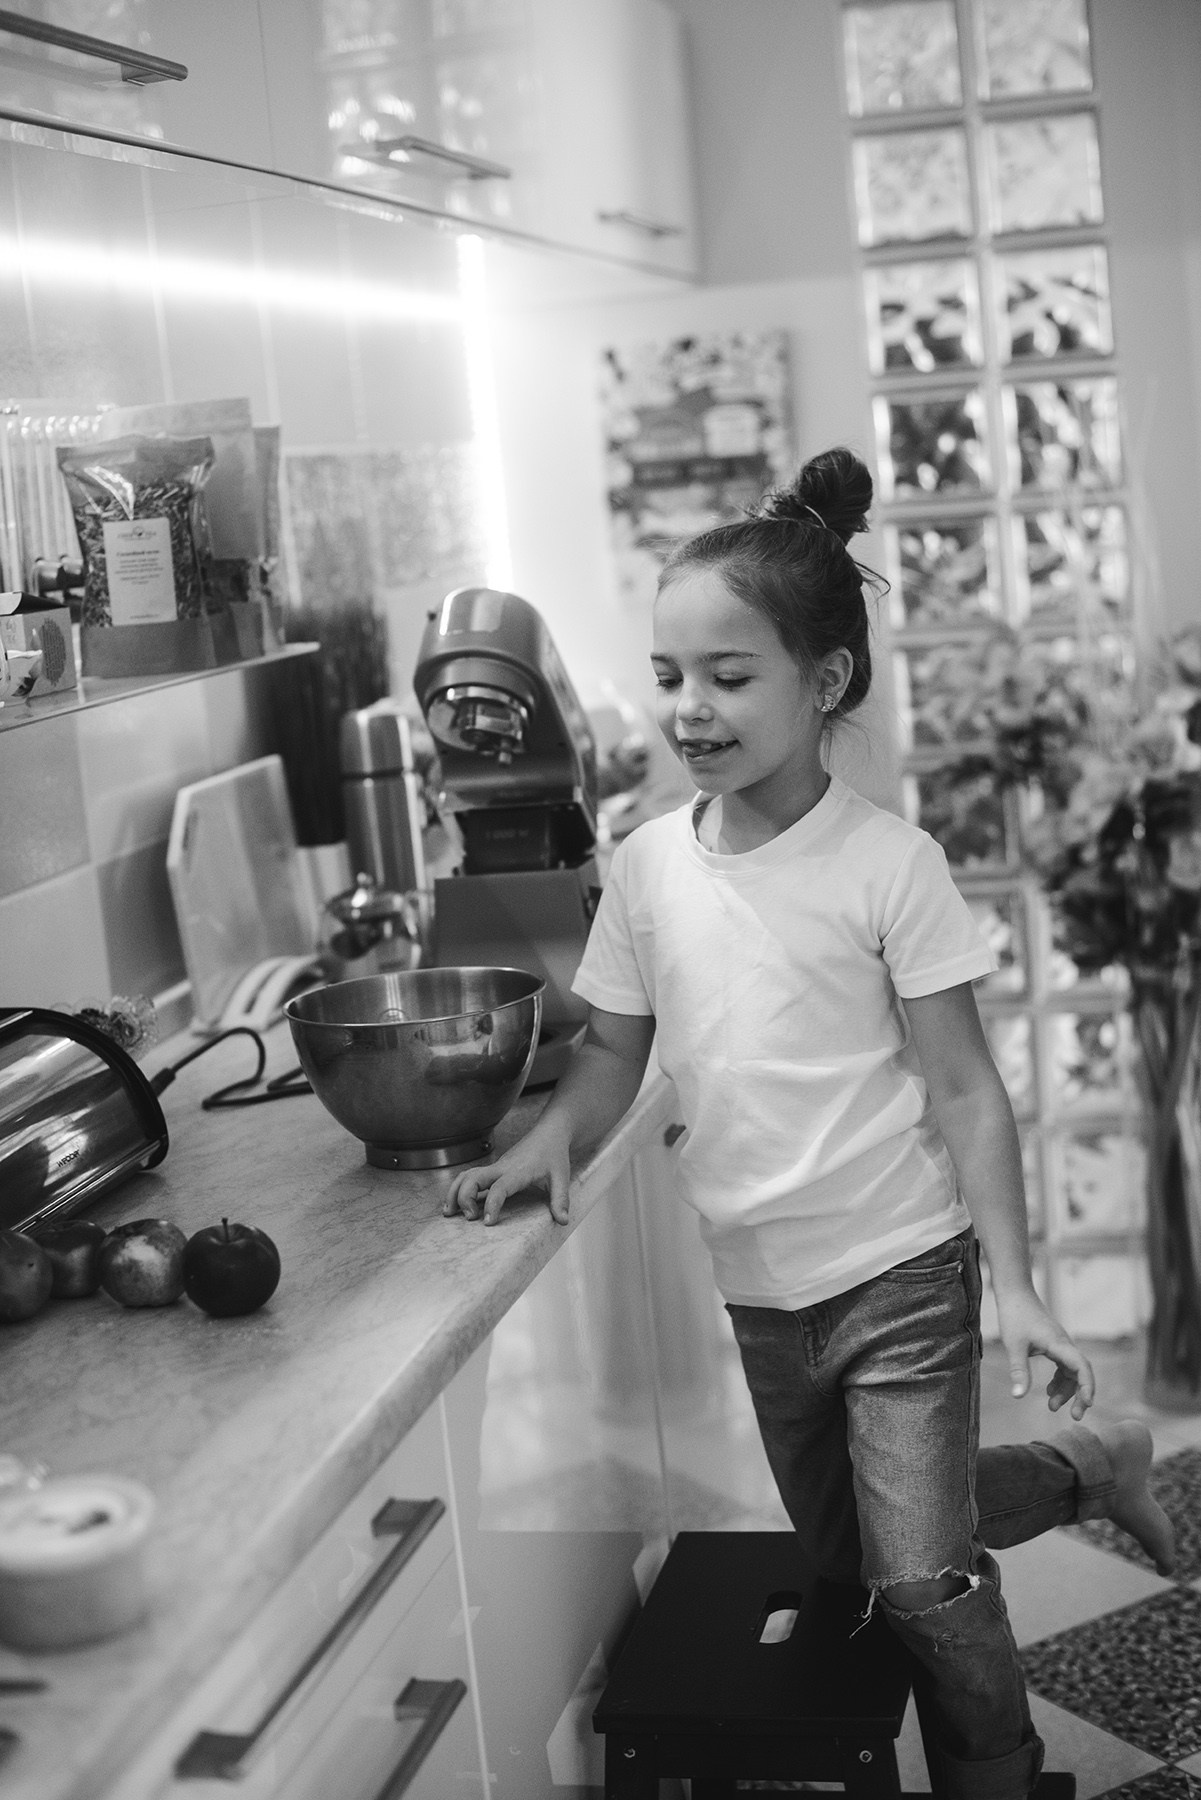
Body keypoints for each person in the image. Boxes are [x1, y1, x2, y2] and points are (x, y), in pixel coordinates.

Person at [443, 447, 1174, 1799]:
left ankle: (995, 1775)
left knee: (922, 1578)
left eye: (729, 676)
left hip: (900, 1263)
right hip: (761, 1285)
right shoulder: (647, 868)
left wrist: (1017, 1288)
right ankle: (1091, 1463)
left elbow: (966, 1088)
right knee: (858, 1556)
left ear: (825, 680)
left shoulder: (889, 865)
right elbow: (612, 1045)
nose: (691, 709)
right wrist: (552, 1136)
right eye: (670, 675)